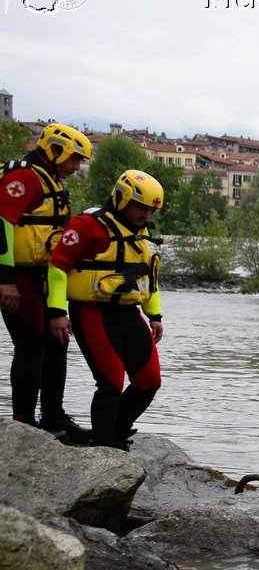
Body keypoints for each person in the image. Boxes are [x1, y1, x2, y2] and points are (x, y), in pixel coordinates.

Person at [46, 169, 166, 450]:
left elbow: (148, 278)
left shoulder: (142, 233)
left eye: (149, 210)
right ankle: (103, 442)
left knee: (149, 381)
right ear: (122, 198)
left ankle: (116, 429)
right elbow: (57, 267)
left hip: (128, 314)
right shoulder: (88, 225)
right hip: (92, 312)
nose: (145, 215)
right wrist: (56, 312)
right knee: (111, 382)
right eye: (140, 207)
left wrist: (155, 315)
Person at [0, 122, 94, 439]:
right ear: (55, 150)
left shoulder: (48, 179)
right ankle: (23, 423)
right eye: (73, 159)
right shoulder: (24, 178)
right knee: (30, 346)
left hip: (36, 274)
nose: (76, 166)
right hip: (16, 276)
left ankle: (53, 416)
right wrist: (6, 281)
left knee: (55, 341)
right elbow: (2, 225)